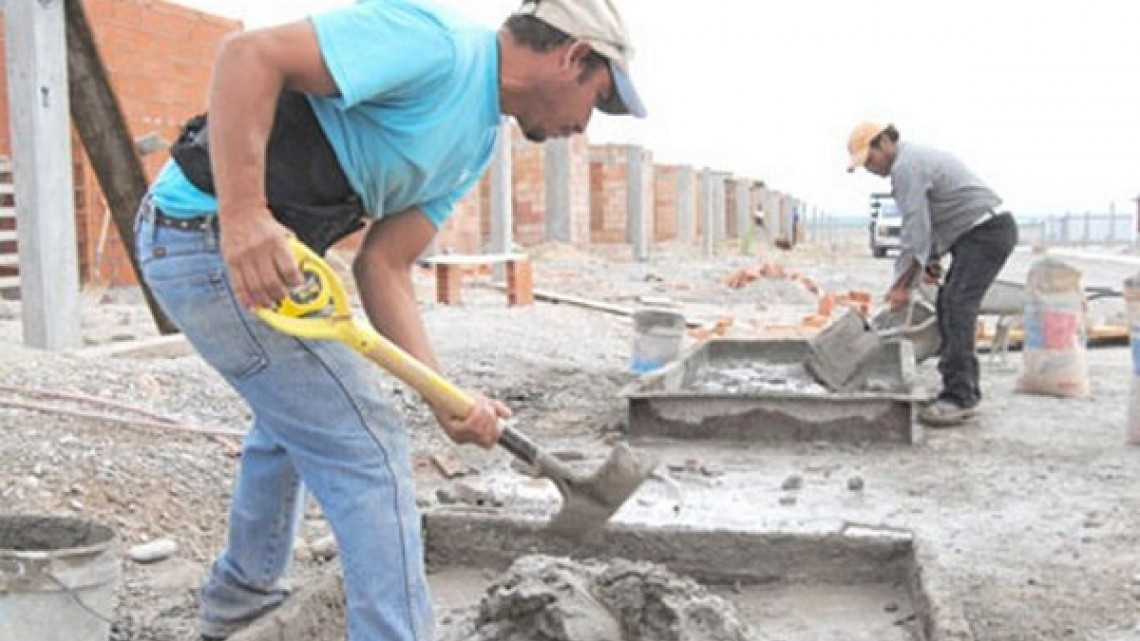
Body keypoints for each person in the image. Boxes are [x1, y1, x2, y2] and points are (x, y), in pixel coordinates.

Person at [134, 0, 645, 639]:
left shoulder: (475, 143)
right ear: (573, 57)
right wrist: (242, 216)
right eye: (596, 100)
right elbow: (247, 55)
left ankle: (241, 597)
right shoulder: (435, 45)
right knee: (369, 444)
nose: (585, 126)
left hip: (272, 262)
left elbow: (385, 266)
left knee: (298, 417)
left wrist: (444, 399)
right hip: (201, 234)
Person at [846, 122, 1017, 427]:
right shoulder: (913, 160)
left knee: (957, 306)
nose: (870, 169)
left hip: (986, 233)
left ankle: (961, 397)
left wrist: (902, 286)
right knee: (946, 305)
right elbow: (932, 219)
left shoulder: (906, 167)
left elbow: (914, 233)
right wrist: (932, 259)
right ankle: (955, 387)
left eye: (870, 160)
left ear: (884, 142)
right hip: (972, 235)